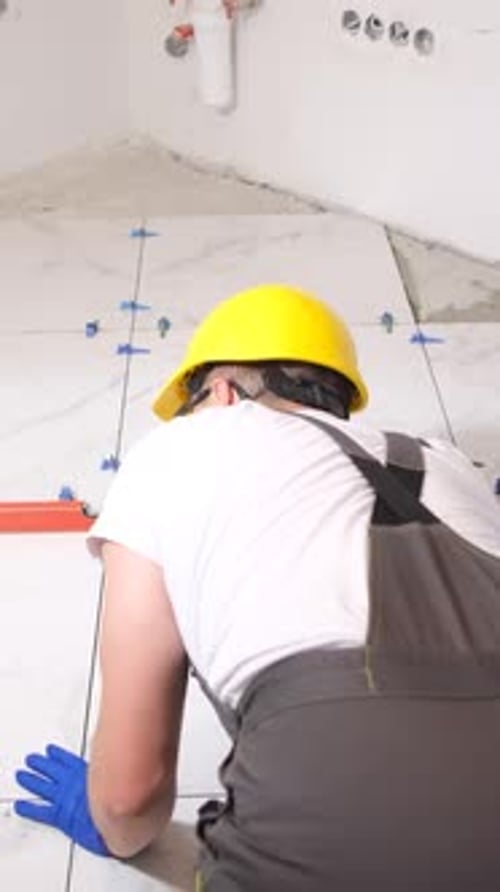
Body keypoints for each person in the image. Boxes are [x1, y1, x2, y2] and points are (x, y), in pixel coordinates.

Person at [15, 283, 500, 890]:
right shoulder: (445, 460)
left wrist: (105, 815)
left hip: (339, 831)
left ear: (218, 392)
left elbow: (129, 799)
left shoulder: (177, 449)